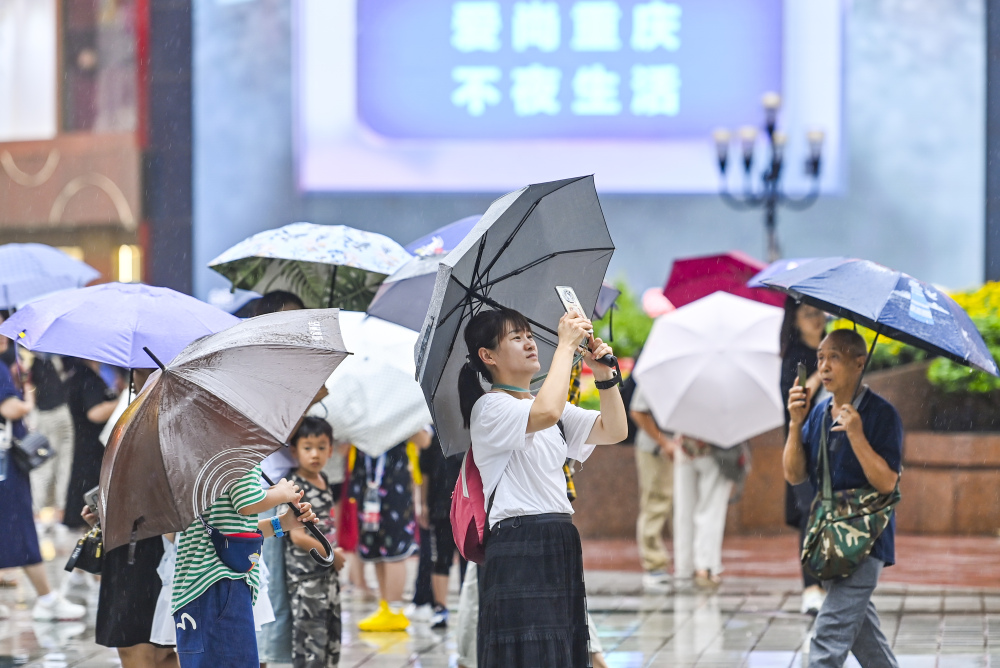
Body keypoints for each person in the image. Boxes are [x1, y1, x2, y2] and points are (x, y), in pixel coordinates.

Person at [459, 308, 627, 667]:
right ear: (487, 356)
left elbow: (614, 430)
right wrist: (566, 347)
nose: (530, 343)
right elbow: (546, 414)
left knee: (561, 653)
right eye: (516, 338)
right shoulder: (489, 407)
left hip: (558, 539)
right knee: (530, 655)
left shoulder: (550, 407)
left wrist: (605, 379)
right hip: (518, 543)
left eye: (530, 335)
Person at [784, 329, 901, 668]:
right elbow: (794, 475)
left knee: (826, 639)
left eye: (834, 357)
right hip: (830, 538)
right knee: (868, 643)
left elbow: (887, 482)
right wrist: (795, 424)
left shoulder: (882, 415)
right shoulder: (818, 413)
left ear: (859, 363)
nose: (824, 366)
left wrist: (856, 434)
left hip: (866, 540)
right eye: (820, 357)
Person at [171, 465, 318, 668]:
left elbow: (234, 531)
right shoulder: (234, 450)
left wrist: (284, 523)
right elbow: (247, 504)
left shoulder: (194, 457)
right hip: (220, 585)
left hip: (197, 591)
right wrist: (281, 492)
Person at [0, 319, 85, 622]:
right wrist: (26, 401)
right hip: (6, 469)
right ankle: (48, 599)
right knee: (21, 529)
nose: (4, 336)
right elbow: (9, 409)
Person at [349, 428, 428, 632]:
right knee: (376, 549)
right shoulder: (362, 407)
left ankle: (395, 609)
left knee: (395, 548)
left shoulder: (399, 405)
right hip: (366, 487)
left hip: (395, 487)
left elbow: (424, 440)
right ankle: (384, 606)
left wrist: (404, 424)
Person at [779, 298, 828, 615]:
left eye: (819, 313)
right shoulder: (796, 359)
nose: (817, 320)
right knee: (811, 514)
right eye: (808, 314)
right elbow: (798, 403)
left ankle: (832, 582)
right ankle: (811, 587)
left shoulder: (835, 346)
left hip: (836, 444)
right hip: (805, 448)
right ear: (795, 320)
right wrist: (821, 373)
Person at [285, 417, 346, 668]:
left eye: (321, 447)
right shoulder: (293, 488)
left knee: (331, 641)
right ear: (294, 451)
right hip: (306, 579)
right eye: (307, 447)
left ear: (331, 450)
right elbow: (297, 535)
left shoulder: (324, 481)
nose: (315, 454)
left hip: (327, 576)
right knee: (311, 645)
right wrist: (332, 553)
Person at [62, 357, 118, 530]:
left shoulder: (81, 376)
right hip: (93, 445)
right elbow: (95, 413)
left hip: (87, 443)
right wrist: (122, 400)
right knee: (90, 483)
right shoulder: (87, 378)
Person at [629, 384, 675, 592]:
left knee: (677, 506)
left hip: (681, 447)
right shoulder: (654, 373)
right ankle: (654, 565)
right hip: (655, 448)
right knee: (656, 502)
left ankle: (685, 563)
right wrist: (664, 443)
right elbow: (638, 412)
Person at [672, 434, 733, 589]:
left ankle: (684, 567)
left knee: (684, 511)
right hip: (716, 448)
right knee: (711, 509)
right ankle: (705, 566)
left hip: (684, 445)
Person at [25, 352, 74, 520]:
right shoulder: (36, 358)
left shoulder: (41, 357)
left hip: (55, 411)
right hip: (50, 413)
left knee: (55, 465)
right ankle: (44, 512)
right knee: (49, 466)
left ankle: (51, 512)